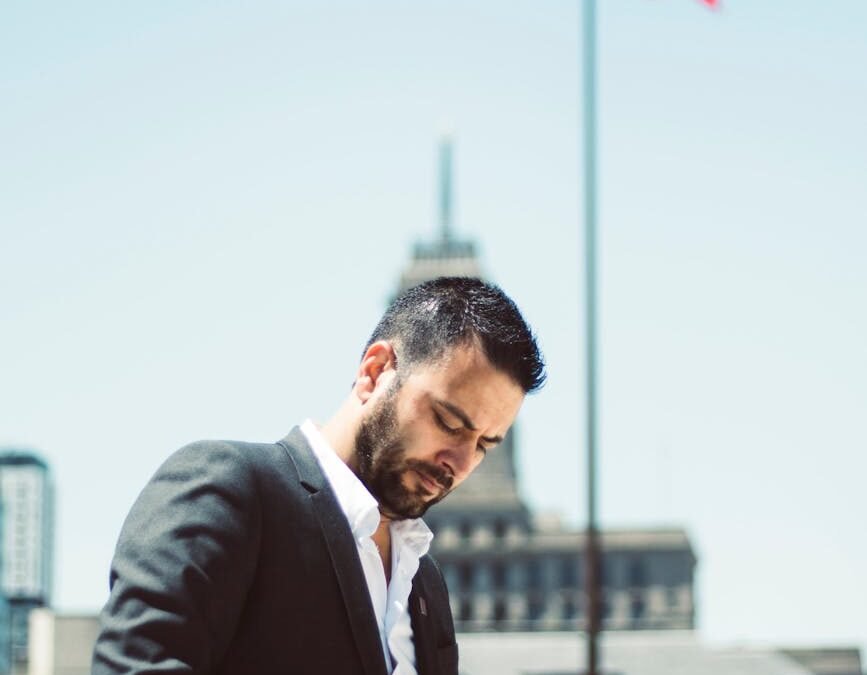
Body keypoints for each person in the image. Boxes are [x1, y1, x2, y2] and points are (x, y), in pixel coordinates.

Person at [91, 276, 545, 675]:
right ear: (375, 372)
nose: (461, 462)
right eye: (449, 422)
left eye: (485, 445)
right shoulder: (229, 491)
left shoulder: (424, 582)